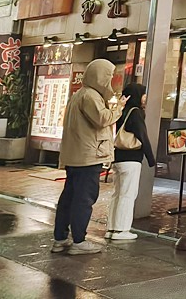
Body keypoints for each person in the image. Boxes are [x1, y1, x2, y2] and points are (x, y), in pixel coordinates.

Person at [52, 59, 118, 255]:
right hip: (88, 157)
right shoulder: (91, 96)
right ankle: (79, 241)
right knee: (84, 199)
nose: (111, 81)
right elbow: (103, 119)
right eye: (109, 76)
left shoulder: (79, 95)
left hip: (76, 156)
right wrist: (118, 107)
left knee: (69, 198)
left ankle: (60, 238)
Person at [106, 83, 156, 240]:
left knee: (117, 194)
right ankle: (122, 230)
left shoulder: (123, 110)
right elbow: (142, 135)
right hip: (131, 159)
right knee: (128, 194)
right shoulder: (136, 113)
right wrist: (150, 158)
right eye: (143, 95)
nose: (145, 98)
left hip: (118, 157)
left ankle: (111, 228)